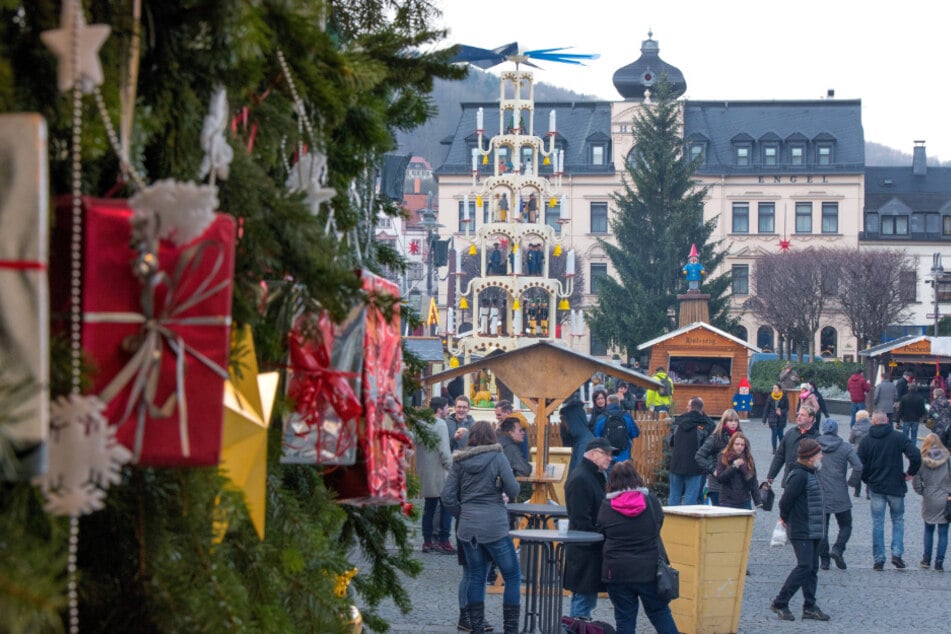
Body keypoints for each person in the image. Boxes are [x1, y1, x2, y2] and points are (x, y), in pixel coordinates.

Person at [441, 421, 521, 634]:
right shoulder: (498, 457)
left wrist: (463, 513)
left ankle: (476, 628)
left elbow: (447, 497)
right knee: (512, 576)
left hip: (468, 528)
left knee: (476, 575)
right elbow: (512, 488)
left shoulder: (460, 461)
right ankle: (510, 630)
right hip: (494, 525)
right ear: (492, 438)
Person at [597, 461, 679, 634]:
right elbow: (658, 525)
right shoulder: (651, 502)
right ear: (636, 478)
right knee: (660, 613)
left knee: (624, 618)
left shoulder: (606, 506)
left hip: (617, 571)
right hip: (648, 570)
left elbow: (601, 530)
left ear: (612, 482)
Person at [770, 439, 831, 622]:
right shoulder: (799, 475)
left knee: (812, 568)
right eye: (819, 453)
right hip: (801, 528)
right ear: (810, 457)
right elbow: (785, 501)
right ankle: (780, 602)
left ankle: (809, 606)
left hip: (813, 528)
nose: (821, 456)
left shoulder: (811, 473)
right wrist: (786, 519)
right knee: (804, 566)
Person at [857, 410, 922, 571]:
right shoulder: (898, 437)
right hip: (895, 485)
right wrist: (910, 473)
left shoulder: (866, 441)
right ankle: (897, 553)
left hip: (877, 486)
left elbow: (859, 465)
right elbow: (915, 455)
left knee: (878, 523)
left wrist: (868, 480)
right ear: (887, 421)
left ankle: (879, 558)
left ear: (873, 422)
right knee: (898, 520)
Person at [563, 438, 616, 621]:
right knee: (582, 601)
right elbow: (580, 519)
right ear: (593, 454)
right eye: (606, 454)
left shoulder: (592, 474)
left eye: (610, 454)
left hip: (589, 546)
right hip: (585, 548)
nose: (610, 458)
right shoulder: (581, 478)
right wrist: (599, 535)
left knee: (585, 598)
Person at [816, 418, 862, 570]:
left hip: (820, 491)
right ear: (836, 430)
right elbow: (858, 466)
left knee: (823, 528)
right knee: (846, 524)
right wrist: (852, 483)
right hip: (840, 491)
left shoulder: (815, 445)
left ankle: (824, 561)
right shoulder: (844, 446)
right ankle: (837, 549)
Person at [417, 397, 455, 554]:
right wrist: (450, 467)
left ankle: (427, 541)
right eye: (446, 408)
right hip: (440, 471)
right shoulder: (440, 424)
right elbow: (444, 449)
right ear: (440, 409)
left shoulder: (420, 423)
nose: (447, 411)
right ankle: (443, 540)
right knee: (447, 506)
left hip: (425, 471)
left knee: (429, 507)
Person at [912, 433, 951, 571]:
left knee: (928, 529)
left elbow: (916, 481)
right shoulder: (947, 459)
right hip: (945, 497)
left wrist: (922, 491)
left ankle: (926, 559)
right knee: (943, 531)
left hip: (929, 496)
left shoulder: (922, 459)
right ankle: (939, 561)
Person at [668, 397, 714, 505]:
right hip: (695, 466)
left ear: (690, 407)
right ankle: (688, 521)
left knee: (674, 495)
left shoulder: (678, 421)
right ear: (701, 409)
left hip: (676, 463)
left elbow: (671, 441)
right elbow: (707, 447)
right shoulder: (706, 424)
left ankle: (672, 520)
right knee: (691, 497)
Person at [695, 409, 742, 506]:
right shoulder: (716, 438)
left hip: (735, 485)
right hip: (718, 485)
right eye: (730, 421)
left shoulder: (740, 437)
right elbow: (699, 456)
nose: (733, 423)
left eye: (735, 421)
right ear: (724, 421)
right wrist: (713, 469)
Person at [767, 404, 821, 487]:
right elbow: (780, 455)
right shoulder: (790, 433)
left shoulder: (817, 437)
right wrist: (771, 475)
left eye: (802, 415)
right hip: (789, 478)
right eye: (798, 414)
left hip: (807, 483)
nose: (799, 417)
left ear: (811, 418)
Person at [593, 394, 641, 468]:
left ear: (607, 403)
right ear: (619, 403)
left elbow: (596, 437)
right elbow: (635, 433)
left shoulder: (601, 418)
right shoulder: (627, 416)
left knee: (609, 478)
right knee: (624, 478)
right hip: (624, 457)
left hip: (607, 457)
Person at [714, 432, 758, 509]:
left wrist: (758, 500)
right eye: (737, 444)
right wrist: (734, 467)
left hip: (745, 500)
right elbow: (720, 478)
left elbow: (753, 481)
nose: (740, 447)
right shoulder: (723, 456)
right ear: (732, 444)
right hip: (727, 500)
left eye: (742, 445)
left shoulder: (749, 458)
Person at [559, 392, 594, 475]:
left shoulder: (584, 444)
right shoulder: (581, 440)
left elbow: (579, 475)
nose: (563, 424)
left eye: (564, 420)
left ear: (572, 421)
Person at [848, 410, 872, 498]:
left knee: (858, 470)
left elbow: (851, 440)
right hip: (870, 451)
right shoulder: (872, 427)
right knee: (869, 471)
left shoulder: (855, 428)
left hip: (858, 452)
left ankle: (857, 492)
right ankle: (868, 492)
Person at [762, 383, 790, 453]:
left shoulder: (784, 397)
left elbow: (787, 408)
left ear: (779, 389)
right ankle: (774, 449)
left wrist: (782, 412)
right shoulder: (770, 397)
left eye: (775, 388)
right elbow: (766, 408)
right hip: (772, 417)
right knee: (774, 433)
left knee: (780, 434)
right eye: (773, 388)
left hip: (781, 418)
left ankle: (782, 448)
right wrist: (764, 419)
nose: (774, 389)